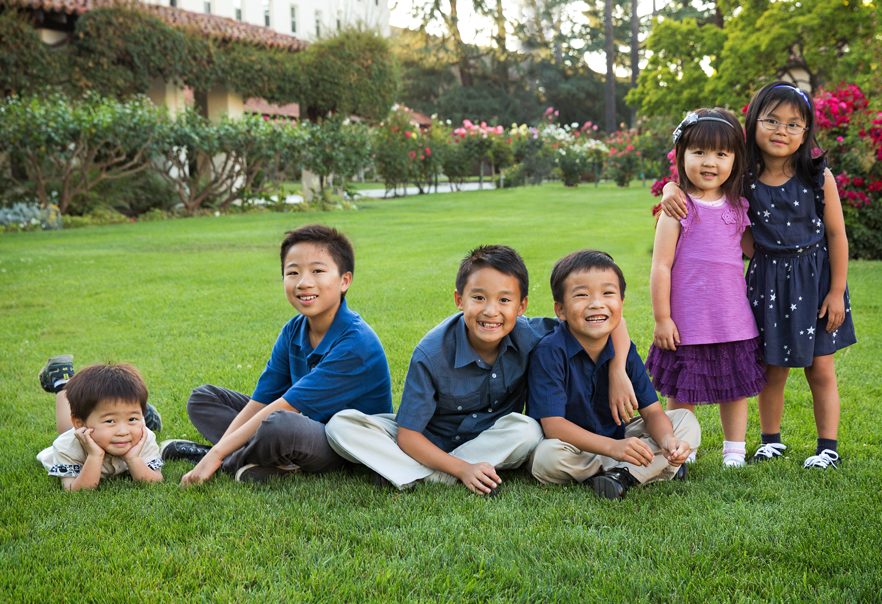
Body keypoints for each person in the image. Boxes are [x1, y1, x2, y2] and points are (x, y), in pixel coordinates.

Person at [325, 245, 638, 494]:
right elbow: (408, 436)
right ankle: (440, 474)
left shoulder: (532, 334)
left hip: (494, 440)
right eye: (479, 298)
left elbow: (614, 321)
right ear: (460, 300)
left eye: (504, 300)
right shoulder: (431, 353)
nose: (491, 311)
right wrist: (462, 469)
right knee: (341, 425)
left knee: (528, 429)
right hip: (430, 440)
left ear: (522, 306)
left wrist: (618, 371)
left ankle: (409, 474)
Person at [659, 83, 856, 470]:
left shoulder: (818, 177)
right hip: (767, 282)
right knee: (770, 367)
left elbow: (837, 235)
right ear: (753, 125)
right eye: (772, 121)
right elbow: (702, 186)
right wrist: (669, 185)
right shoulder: (742, 179)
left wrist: (835, 291)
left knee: (821, 367)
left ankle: (827, 446)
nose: (782, 130)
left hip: (814, 281)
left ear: (806, 132)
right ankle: (771, 441)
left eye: (793, 124)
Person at [171, 224, 392, 485]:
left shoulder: (356, 344)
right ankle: (258, 460)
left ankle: (220, 458)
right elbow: (261, 401)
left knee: (280, 425)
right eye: (293, 272)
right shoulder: (293, 330)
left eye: (318, 271)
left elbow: (286, 406)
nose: (304, 282)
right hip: (299, 421)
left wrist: (217, 454)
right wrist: (220, 451)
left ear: (345, 280)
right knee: (204, 398)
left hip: (342, 445)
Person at [645, 109, 767, 468]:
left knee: (736, 386)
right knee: (684, 388)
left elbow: (756, 251)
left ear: (735, 160)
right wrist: (662, 318)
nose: (709, 162)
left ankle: (734, 451)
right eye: (698, 152)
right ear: (681, 156)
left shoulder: (739, 205)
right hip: (687, 319)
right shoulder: (677, 208)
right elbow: (660, 266)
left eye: (721, 154)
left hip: (731, 316)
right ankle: (685, 447)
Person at [528, 250, 700, 500]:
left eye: (608, 293)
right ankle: (644, 470)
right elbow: (554, 426)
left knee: (685, 421)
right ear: (560, 310)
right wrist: (613, 448)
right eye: (582, 295)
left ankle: (625, 472)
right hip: (576, 446)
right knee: (546, 458)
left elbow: (651, 411)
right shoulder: (550, 352)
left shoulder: (623, 350)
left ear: (621, 303)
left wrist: (667, 441)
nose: (596, 303)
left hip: (620, 437)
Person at [36, 360, 164, 491]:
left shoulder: (145, 438)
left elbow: (154, 482)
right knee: (66, 429)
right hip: (76, 435)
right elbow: (74, 491)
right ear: (80, 424)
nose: (123, 432)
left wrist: (133, 458)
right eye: (110, 421)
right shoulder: (67, 447)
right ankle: (61, 380)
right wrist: (94, 456)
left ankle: (138, 412)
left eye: (132, 418)